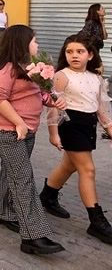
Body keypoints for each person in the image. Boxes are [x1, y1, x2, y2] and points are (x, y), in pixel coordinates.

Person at [0, 25, 67, 255]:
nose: (38, 45)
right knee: (23, 178)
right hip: (7, 131)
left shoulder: (30, 68)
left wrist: (53, 101)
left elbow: (38, 95)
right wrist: (19, 123)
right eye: (34, 41)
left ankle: (3, 212)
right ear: (22, 43)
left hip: (28, 131)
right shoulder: (5, 69)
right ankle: (33, 236)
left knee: (10, 171)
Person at [40, 34, 112, 244]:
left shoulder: (96, 78)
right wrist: (53, 133)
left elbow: (100, 107)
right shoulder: (61, 76)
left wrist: (108, 127)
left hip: (88, 125)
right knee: (87, 170)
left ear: (90, 55)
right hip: (69, 124)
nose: (74, 56)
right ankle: (96, 220)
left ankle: (48, 196)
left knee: (69, 165)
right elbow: (54, 107)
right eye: (69, 52)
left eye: (80, 52)